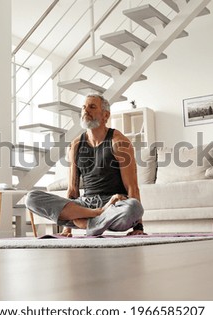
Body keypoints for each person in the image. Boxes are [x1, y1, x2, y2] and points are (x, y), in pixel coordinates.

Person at [25, 93, 145, 237]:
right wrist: (66, 230)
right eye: (83, 107)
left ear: (105, 116)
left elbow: (132, 187)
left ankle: (90, 223)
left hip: (113, 205)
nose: (85, 111)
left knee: (134, 207)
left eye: (92, 107)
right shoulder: (76, 145)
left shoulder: (119, 142)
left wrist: (138, 226)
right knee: (31, 198)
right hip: (85, 206)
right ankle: (97, 217)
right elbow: (73, 189)